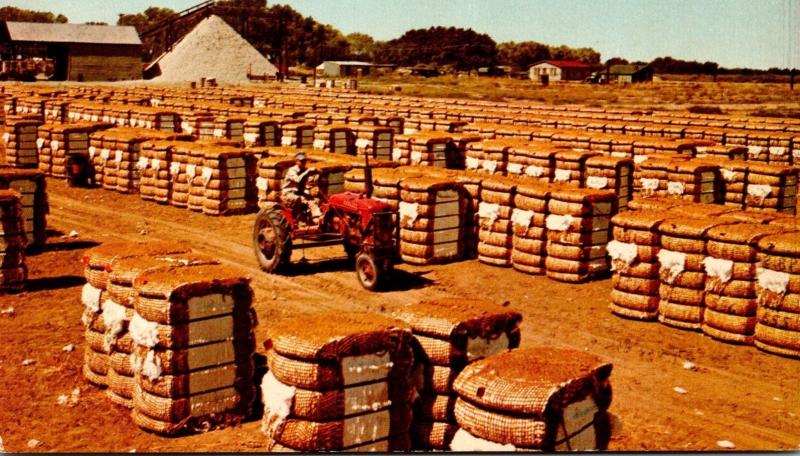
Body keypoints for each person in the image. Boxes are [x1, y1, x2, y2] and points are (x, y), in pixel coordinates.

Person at [281, 152, 322, 222]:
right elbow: (298, 180)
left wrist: (316, 172)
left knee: (312, 201)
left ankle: (317, 219)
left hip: (299, 193)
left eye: (305, 161)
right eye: (301, 161)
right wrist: (308, 171)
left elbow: (310, 179)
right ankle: (297, 218)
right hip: (288, 193)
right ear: (296, 161)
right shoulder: (292, 170)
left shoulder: (304, 170)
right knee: (298, 199)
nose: (303, 162)